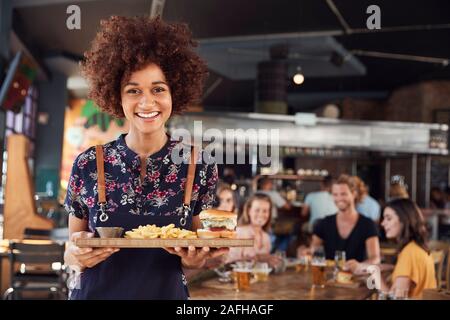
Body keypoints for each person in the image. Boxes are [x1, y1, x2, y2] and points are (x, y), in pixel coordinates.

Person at [63, 16, 228, 299]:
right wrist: (75, 257)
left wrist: (195, 262)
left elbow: (198, 254)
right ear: (117, 96)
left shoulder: (199, 166)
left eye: (158, 89)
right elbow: (72, 248)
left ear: (175, 92)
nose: (147, 102)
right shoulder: (88, 164)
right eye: (133, 90)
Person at [298, 174, 381, 273]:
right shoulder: (323, 223)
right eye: (335, 194)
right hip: (329, 279)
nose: (339, 198)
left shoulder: (368, 224)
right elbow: (314, 251)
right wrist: (305, 252)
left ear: (354, 194)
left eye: (343, 194)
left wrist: (360, 266)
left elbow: (375, 258)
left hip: (356, 280)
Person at [380, 199, 437, 298]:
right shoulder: (415, 247)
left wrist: (376, 276)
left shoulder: (409, 253)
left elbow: (396, 299)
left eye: (388, 218)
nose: (382, 223)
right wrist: (389, 267)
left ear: (404, 220)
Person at [225, 193, 281, 268]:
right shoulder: (239, 233)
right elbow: (229, 264)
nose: (261, 214)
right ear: (249, 211)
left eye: (265, 211)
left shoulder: (266, 237)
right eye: (257, 210)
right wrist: (258, 258)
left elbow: (263, 267)